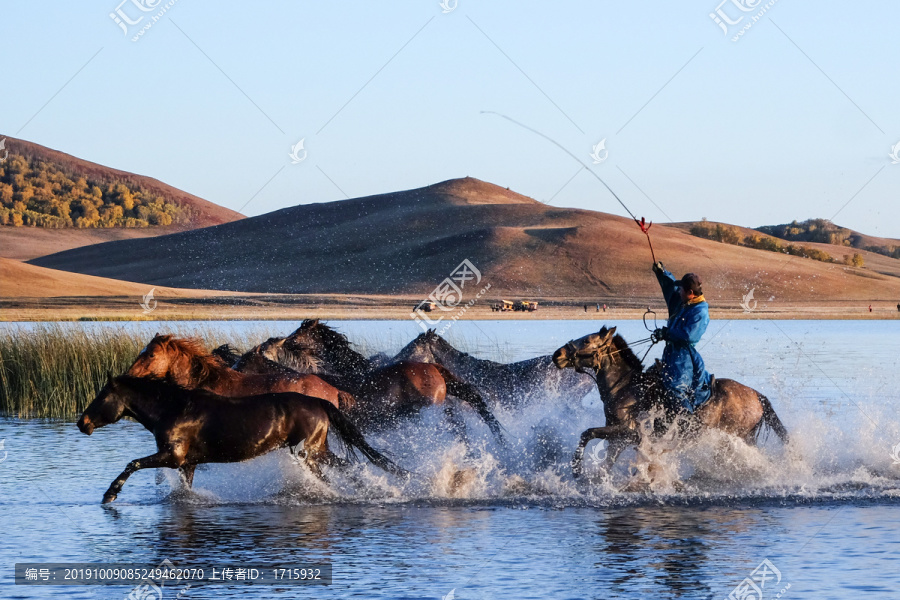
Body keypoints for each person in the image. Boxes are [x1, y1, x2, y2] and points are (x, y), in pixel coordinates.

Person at [650, 261, 713, 414]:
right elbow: (671, 287)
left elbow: (689, 336)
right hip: (671, 354)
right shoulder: (684, 301)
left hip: (684, 359)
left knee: (675, 389)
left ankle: (689, 424)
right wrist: (662, 273)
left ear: (690, 293)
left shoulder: (700, 312)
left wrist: (666, 333)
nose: (679, 292)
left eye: (682, 290)